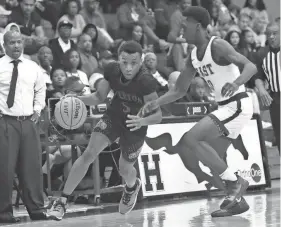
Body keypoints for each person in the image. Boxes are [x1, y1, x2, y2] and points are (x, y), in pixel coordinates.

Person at [141, 6, 257, 217]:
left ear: (200, 26)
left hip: (237, 104)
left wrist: (237, 81)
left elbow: (250, 66)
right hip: (225, 107)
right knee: (211, 157)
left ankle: (235, 184)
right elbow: (179, 89)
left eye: (186, 23)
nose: (182, 27)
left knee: (190, 139)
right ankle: (237, 198)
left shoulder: (218, 45)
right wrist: (156, 102)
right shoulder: (194, 55)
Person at [47, 41, 162, 220]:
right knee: (89, 154)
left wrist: (143, 121)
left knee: (125, 169)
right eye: (124, 62)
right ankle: (62, 201)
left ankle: (132, 187)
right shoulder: (112, 71)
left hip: (135, 124)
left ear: (141, 62)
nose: (128, 68)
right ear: (118, 59)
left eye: (134, 63)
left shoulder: (146, 81)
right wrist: (76, 99)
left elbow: (158, 115)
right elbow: (99, 97)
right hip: (114, 117)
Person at [0, 30, 47, 223]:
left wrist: (37, 110)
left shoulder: (32, 66)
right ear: (4, 45)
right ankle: (3, 213)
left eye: (19, 42)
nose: (17, 46)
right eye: (12, 42)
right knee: (4, 169)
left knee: (32, 167)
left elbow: (40, 89)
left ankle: (36, 209)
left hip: (28, 121)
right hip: (5, 122)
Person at [254, 19, 280, 153]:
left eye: (275, 33)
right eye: (268, 34)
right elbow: (258, 77)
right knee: (279, 135)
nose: (271, 36)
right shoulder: (262, 54)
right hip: (276, 99)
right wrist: (262, 89)